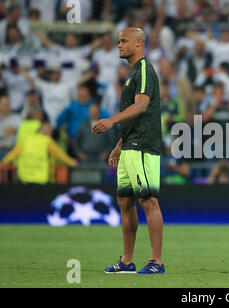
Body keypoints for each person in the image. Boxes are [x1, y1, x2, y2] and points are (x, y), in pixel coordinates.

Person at [91, 27, 165, 275]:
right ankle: (127, 261)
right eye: (118, 41)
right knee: (125, 201)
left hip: (143, 146)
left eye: (124, 41)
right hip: (130, 145)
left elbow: (142, 106)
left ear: (139, 43)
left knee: (148, 201)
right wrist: (119, 145)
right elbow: (134, 115)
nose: (119, 45)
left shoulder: (144, 69)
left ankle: (156, 261)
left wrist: (111, 121)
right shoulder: (132, 73)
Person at [1, 121, 77, 185]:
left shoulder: (26, 140)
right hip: (41, 178)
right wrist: (71, 162)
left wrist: (3, 162)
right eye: (50, 130)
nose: (51, 132)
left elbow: (12, 154)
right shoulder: (47, 140)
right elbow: (60, 155)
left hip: (25, 178)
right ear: (43, 130)